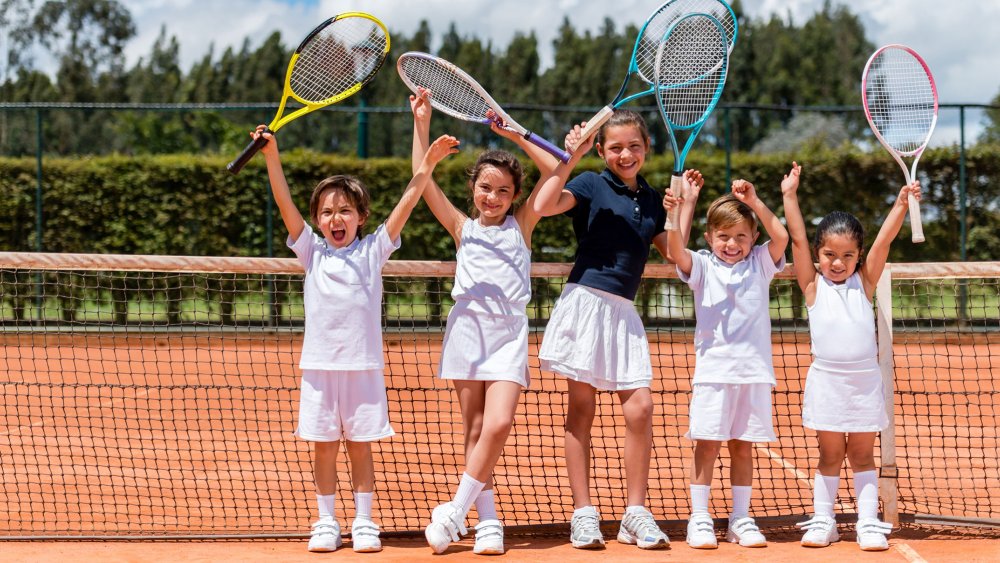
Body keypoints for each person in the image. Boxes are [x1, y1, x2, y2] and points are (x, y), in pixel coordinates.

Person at [254, 124, 459, 553]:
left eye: (345, 210)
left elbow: (407, 202)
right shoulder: (311, 251)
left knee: (360, 448)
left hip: (363, 369)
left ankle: (364, 520)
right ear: (317, 221)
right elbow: (284, 202)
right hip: (319, 370)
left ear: (361, 217)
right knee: (324, 448)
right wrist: (272, 154)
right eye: (327, 212)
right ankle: (327, 520)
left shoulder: (373, 251)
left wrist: (428, 163)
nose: (335, 219)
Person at [409, 89, 560, 555]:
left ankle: (455, 511)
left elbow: (556, 170)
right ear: (472, 187)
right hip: (466, 333)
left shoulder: (524, 225)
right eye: (485, 187)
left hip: (509, 336)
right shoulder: (461, 227)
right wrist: (422, 125)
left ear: (515, 196)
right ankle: (489, 521)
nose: (492, 196)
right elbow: (421, 182)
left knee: (498, 424)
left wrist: (513, 132)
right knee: (474, 430)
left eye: (503, 190)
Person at [531, 109, 688, 550]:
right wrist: (570, 156)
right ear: (602, 151)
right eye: (615, 147)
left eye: (634, 146)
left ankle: (634, 514)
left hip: (624, 311)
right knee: (581, 410)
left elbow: (674, 254)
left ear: (646, 150)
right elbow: (543, 206)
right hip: (586, 302)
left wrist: (683, 209)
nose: (625, 153)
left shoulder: (655, 199)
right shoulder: (590, 183)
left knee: (640, 409)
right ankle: (583, 514)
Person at [783, 163, 919, 551]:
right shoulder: (811, 285)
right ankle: (823, 521)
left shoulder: (865, 282)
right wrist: (790, 195)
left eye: (847, 255)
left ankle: (868, 523)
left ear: (858, 256)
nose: (838, 263)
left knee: (861, 454)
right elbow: (795, 238)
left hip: (863, 382)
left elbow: (885, 241)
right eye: (829, 254)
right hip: (826, 382)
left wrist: (902, 203)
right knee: (829, 454)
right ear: (818, 253)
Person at [663, 169, 790, 549]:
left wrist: (754, 202)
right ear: (709, 239)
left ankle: (740, 518)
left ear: (753, 238)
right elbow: (674, 249)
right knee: (707, 444)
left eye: (741, 236)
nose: (732, 244)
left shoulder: (761, 264)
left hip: (753, 375)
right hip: (713, 374)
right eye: (723, 237)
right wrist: (682, 206)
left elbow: (781, 236)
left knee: (742, 446)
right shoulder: (702, 266)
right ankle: (699, 517)